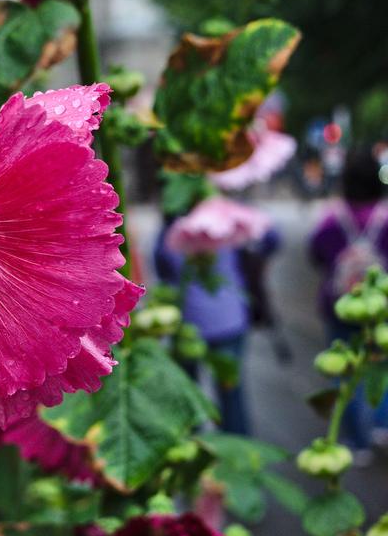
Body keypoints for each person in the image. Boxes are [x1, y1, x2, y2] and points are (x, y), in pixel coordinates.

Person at [154, 222, 280, 436]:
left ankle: (196, 447)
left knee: (188, 394)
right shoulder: (225, 220)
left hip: (188, 323)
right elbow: (270, 237)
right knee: (231, 392)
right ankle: (238, 452)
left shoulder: (171, 229)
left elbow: (162, 268)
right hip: (227, 319)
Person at [309, 144, 388, 460]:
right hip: (380, 308)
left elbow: (316, 253)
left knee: (344, 372)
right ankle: (381, 425)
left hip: (339, 306)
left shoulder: (333, 219)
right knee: (381, 365)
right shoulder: (385, 218)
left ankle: (357, 441)